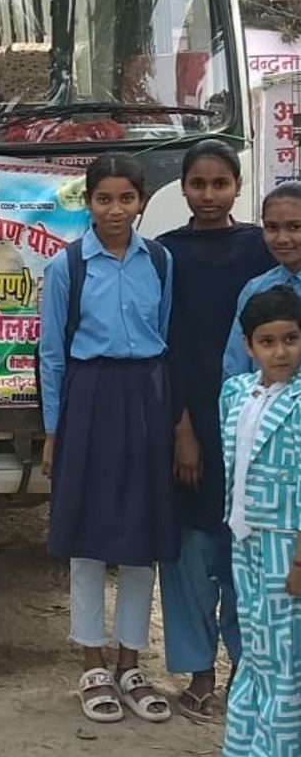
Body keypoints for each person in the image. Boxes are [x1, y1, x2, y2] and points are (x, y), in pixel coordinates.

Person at [39, 152, 177, 725]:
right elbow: (51, 354)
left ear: (141, 201)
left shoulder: (161, 261)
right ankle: (93, 664)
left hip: (146, 397)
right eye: (104, 198)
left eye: (126, 198)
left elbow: (163, 335)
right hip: (89, 399)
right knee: (89, 535)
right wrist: (53, 431)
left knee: (143, 536)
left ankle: (131, 663)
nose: (115, 210)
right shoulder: (67, 266)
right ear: (88, 203)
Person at [157, 141, 274, 722]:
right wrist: (182, 429)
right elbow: (167, 344)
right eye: (198, 184)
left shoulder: (261, 249)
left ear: (237, 187)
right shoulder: (165, 254)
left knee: (245, 555)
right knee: (188, 555)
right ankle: (199, 672)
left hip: (254, 424)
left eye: (220, 184)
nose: (209, 196)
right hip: (190, 420)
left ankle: (246, 672)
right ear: (183, 188)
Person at [218, 286, 301, 756]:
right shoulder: (235, 393)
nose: (280, 352)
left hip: (287, 544)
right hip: (246, 538)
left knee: (287, 658)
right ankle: (245, 746)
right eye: (267, 342)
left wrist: (300, 561)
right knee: (255, 650)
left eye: (291, 339)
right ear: (248, 346)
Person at [224, 181, 301, 380]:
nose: (282, 238)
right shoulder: (256, 290)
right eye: (272, 228)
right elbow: (236, 366)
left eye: (294, 227)